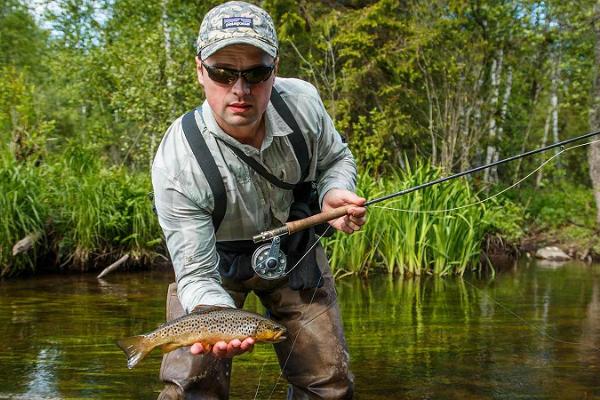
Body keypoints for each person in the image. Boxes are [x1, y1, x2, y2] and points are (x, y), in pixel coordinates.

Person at [151, 1, 366, 399]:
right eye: (222, 72)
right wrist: (220, 319)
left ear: (275, 68)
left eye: (256, 72)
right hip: (212, 262)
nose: (240, 89)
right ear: (200, 70)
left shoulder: (303, 104)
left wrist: (333, 190)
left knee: (329, 385)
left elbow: (336, 158)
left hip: (296, 247)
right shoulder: (177, 163)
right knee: (190, 389)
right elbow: (195, 274)